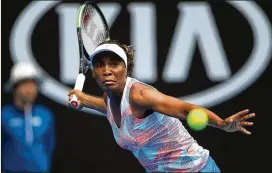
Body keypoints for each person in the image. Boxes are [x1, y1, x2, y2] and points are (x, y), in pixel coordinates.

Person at [68, 40, 255, 172]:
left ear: (126, 69)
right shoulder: (109, 98)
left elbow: (185, 109)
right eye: (99, 65)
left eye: (114, 64)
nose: (107, 70)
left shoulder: (140, 95)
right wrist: (84, 100)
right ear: (94, 72)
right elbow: (109, 108)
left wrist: (222, 124)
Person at [2, 62, 56, 173]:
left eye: (34, 84)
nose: (30, 89)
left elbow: (49, 146)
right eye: (25, 83)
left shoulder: (45, 115)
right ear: (14, 87)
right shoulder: (3, 115)